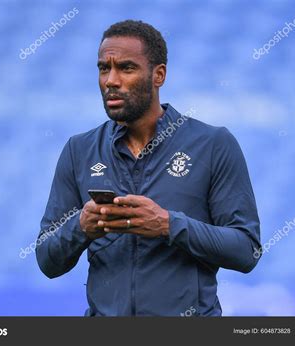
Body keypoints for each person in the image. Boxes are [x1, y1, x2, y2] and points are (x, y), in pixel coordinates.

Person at [36, 20, 261, 316]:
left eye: (126, 68)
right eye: (104, 68)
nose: (111, 80)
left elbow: (247, 250)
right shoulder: (79, 150)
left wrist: (168, 225)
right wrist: (80, 227)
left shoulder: (212, 144)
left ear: (159, 75)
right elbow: (47, 260)